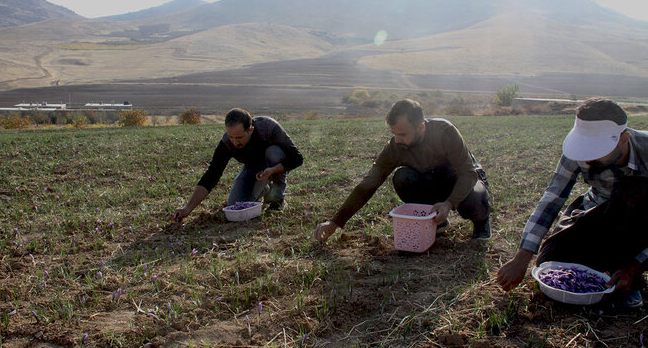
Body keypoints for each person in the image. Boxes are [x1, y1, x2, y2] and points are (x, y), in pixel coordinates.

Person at [497, 98, 648, 308]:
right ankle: (607, 263)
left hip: (641, 223)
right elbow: (552, 199)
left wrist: (634, 266)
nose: (586, 159)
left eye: (596, 151)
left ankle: (627, 279)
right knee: (550, 259)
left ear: (624, 139)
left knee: (635, 191)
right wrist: (522, 258)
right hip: (598, 211)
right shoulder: (578, 153)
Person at [314, 99, 491, 244]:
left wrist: (449, 203)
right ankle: (436, 221)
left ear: (421, 127)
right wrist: (336, 222)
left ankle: (481, 223)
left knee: (472, 199)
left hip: (462, 178)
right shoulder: (395, 147)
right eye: (394, 134)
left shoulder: (445, 131)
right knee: (402, 178)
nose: (397, 140)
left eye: (403, 135)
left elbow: (468, 173)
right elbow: (368, 184)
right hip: (431, 180)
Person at [173, 108, 303, 221]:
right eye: (231, 137)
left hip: (274, 165)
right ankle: (265, 188)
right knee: (235, 204)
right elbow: (212, 174)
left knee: (274, 153)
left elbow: (297, 158)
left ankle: (277, 198)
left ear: (251, 130)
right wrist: (187, 209)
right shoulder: (227, 143)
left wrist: (272, 170)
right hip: (253, 169)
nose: (235, 142)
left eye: (239, 138)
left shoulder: (268, 127)